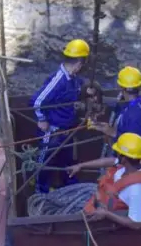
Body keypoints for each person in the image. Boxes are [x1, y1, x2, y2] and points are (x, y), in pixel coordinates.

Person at [30, 38, 94, 194]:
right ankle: (41, 190)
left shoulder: (72, 78)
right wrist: (42, 119)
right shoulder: (59, 80)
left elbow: (73, 92)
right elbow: (37, 101)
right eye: (82, 64)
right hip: (52, 130)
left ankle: (69, 186)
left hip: (67, 129)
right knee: (45, 161)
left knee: (67, 159)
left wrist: (85, 92)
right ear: (79, 63)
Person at [66, 133, 141, 230]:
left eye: (118, 153)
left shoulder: (136, 190)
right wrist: (80, 166)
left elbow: (136, 224)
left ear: (124, 158)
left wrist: (107, 214)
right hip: (99, 200)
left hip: (103, 216)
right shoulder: (133, 165)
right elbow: (109, 161)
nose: (116, 155)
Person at [92, 66, 141, 150]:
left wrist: (113, 132)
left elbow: (133, 146)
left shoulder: (134, 116)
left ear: (121, 87)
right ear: (139, 86)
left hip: (126, 157)